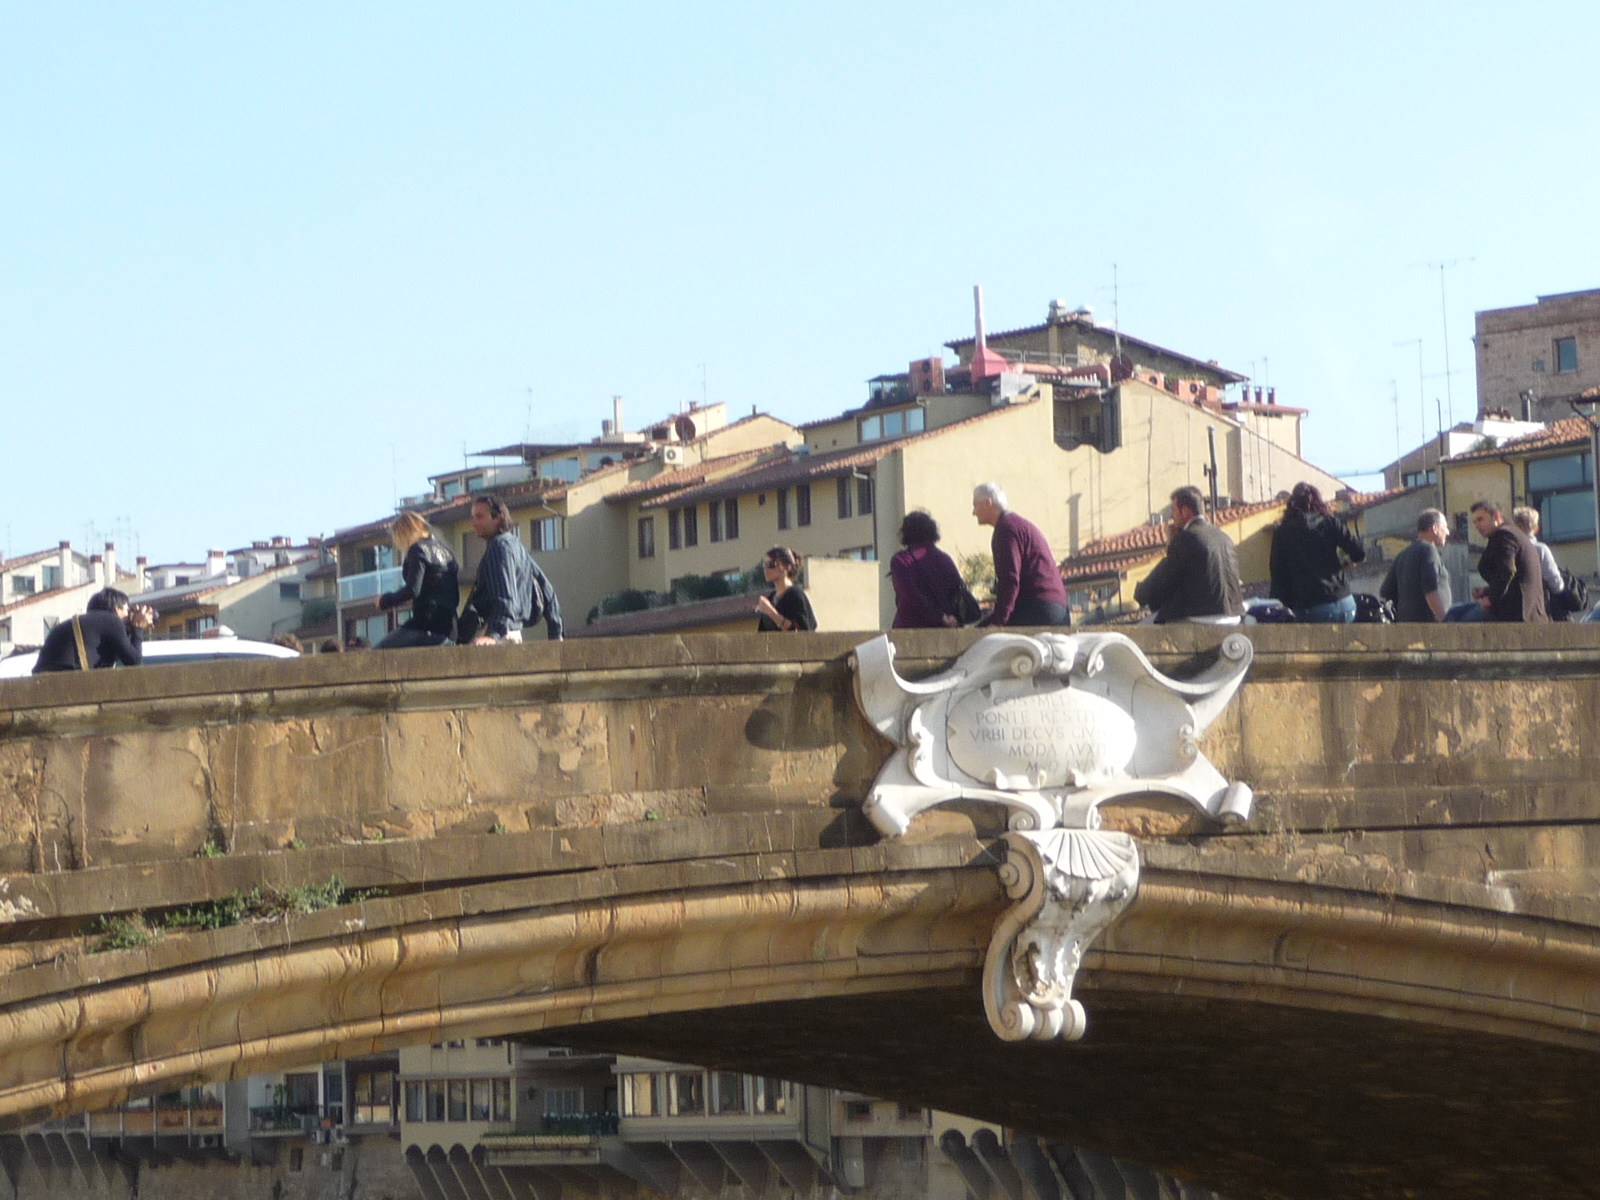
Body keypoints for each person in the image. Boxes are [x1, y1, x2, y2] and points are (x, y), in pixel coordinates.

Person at [458, 495, 564, 644]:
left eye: (480, 517)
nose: (474, 523)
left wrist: (493, 635)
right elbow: (547, 589)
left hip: (499, 634)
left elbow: (505, 596)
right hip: (512, 632)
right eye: (473, 517)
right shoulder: (515, 545)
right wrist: (556, 632)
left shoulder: (498, 547)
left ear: (498, 517)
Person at [1133, 486, 1245, 624]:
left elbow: (1163, 587)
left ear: (1185, 511)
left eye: (1173, 510)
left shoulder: (1186, 538)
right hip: (1234, 617)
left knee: (1139, 633)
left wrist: (1171, 546)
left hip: (1201, 618)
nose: (1171, 517)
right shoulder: (1225, 537)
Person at [970, 482, 1068, 626]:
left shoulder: (1006, 528)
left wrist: (999, 621)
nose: (974, 512)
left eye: (976, 506)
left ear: (987, 503)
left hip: (1038, 607)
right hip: (1058, 609)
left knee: (975, 639)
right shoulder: (1018, 525)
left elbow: (1010, 580)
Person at [1269, 482, 1367, 623]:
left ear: (1291, 504)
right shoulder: (1330, 522)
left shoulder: (1282, 533)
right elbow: (1359, 552)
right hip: (1345, 602)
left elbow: (1278, 576)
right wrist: (1346, 563)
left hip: (1312, 607)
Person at [377, 512, 460, 649]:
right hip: (449, 629)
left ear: (403, 534)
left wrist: (384, 600)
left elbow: (413, 590)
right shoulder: (446, 552)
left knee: (377, 656)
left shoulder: (417, 550)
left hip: (425, 624)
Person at [33, 588, 154, 673]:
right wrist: (138, 627)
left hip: (45, 677)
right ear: (117, 610)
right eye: (128, 610)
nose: (129, 615)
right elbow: (134, 661)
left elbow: (117, 653)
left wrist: (131, 630)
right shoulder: (112, 620)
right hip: (64, 680)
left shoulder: (86, 624)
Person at [1470, 500, 1548, 623]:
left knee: (1457, 621)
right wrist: (1485, 591)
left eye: (1480, 520)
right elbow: (1514, 579)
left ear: (1496, 516)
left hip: (1518, 614)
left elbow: (1507, 571)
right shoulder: (1508, 533)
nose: (1477, 526)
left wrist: (1491, 598)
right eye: (1474, 522)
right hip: (1520, 611)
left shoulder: (1504, 535)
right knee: (1456, 612)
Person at [889, 511, 966, 629]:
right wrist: (946, 618)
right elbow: (957, 593)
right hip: (945, 629)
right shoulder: (945, 559)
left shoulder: (901, 560)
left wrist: (939, 617)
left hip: (909, 628)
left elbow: (911, 596)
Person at [1380, 509, 1452, 623]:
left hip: (1407, 627)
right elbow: (1430, 589)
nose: (1447, 532)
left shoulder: (1402, 554)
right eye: (1445, 527)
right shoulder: (1428, 550)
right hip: (1429, 628)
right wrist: (1445, 621)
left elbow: (1386, 591)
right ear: (1434, 528)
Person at [1511, 506, 1568, 620]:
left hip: (1512, 607)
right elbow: (1556, 584)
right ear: (1535, 528)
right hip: (1538, 608)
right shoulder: (1540, 549)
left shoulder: (1508, 549)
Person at [755, 546, 817, 631]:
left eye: (771, 564)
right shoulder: (770, 599)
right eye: (765, 565)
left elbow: (801, 630)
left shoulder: (795, 595)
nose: (766, 569)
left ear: (787, 567)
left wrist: (772, 613)